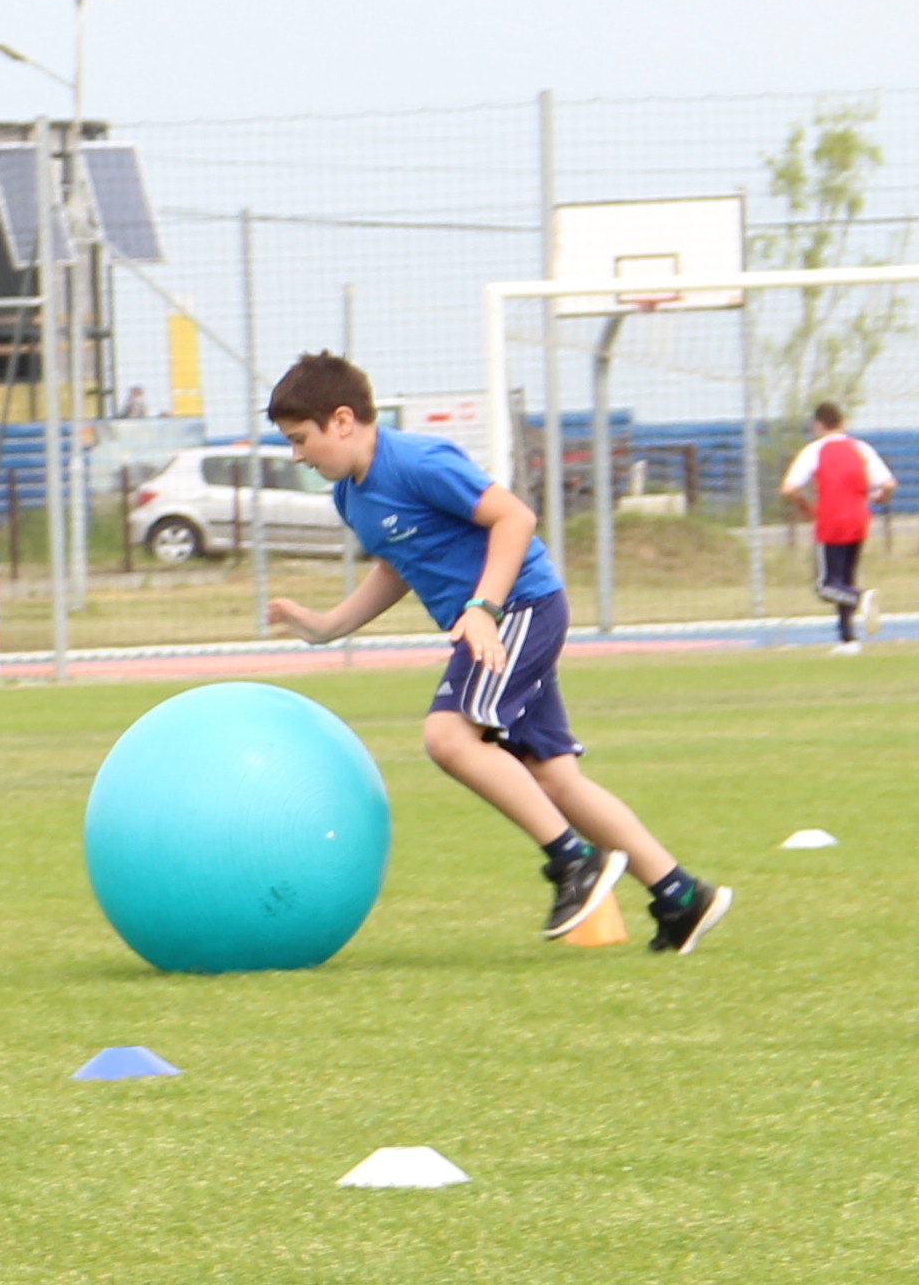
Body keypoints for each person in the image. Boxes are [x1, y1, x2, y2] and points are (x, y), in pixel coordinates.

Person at [260, 352, 732, 953]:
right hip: (497, 620)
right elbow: (400, 563)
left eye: (300, 439)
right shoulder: (350, 497)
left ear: (343, 420)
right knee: (554, 779)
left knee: (449, 738)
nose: (296, 455)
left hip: (520, 609)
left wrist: (483, 608)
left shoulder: (419, 462)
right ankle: (681, 898)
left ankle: (573, 863)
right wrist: (328, 625)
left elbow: (514, 517)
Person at [782, 396, 895, 651]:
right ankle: (848, 639)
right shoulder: (860, 448)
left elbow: (789, 488)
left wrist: (803, 506)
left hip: (830, 522)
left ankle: (861, 597)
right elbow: (888, 484)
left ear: (817, 425)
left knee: (826, 586)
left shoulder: (814, 450)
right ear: (842, 423)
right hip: (858, 520)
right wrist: (878, 498)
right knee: (845, 579)